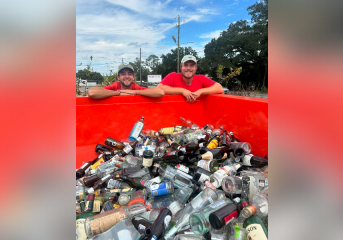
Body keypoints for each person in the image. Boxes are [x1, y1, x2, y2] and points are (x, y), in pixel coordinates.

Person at [158, 55, 224, 103]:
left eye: (192, 65)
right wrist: (182, 91)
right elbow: (160, 88)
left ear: (196, 67)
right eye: (186, 65)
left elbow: (219, 88)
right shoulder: (172, 76)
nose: (189, 68)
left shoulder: (201, 78)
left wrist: (200, 91)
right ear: (181, 67)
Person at [88, 64, 164, 99]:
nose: (127, 76)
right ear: (118, 77)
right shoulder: (115, 86)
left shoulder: (136, 87)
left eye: (130, 74)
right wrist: (118, 93)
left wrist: (134, 92)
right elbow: (92, 92)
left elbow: (160, 92)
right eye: (123, 74)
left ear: (133, 77)